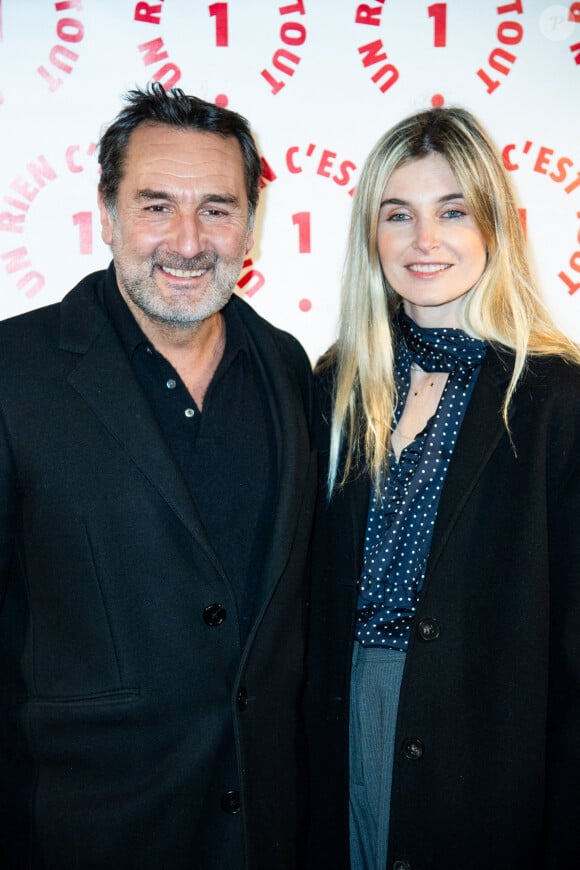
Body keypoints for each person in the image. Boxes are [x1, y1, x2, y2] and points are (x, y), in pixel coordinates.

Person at [0, 83, 316, 870]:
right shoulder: (15, 372)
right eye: (155, 206)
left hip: (268, 829)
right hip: (89, 830)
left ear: (252, 221)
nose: (187, 241)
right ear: (105, 213)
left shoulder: (289, 367)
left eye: (217, 207)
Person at [305, 106, 580, 870]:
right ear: (373, 235)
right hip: (337, 739)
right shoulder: (334, 389)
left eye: (452, 211)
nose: (425, 241)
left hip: (486, 754)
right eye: (400, 215)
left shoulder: (556, 401)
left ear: (494, 226)